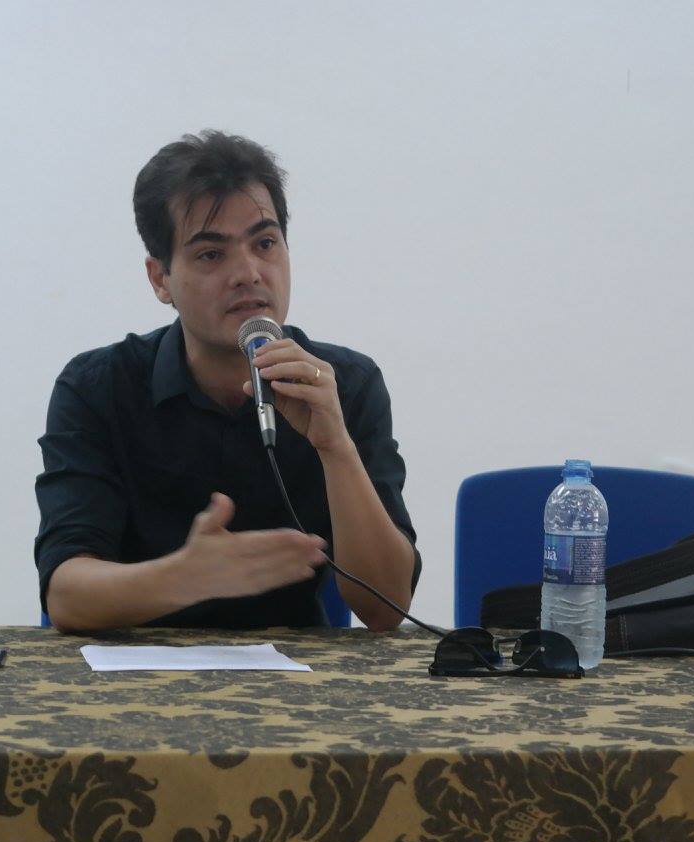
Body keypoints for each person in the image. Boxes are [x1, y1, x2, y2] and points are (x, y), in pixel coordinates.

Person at [34, 130, 420, 632]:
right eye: (211, 254)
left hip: (297, 671)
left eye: (265, 243)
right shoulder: (97, 388)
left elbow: (386, 609)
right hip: (133, 667)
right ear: (160, 279)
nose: (249, 273)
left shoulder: (344, 384)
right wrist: (186, 578)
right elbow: (66, 596)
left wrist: (336, 447)